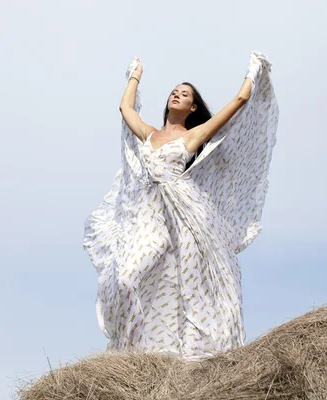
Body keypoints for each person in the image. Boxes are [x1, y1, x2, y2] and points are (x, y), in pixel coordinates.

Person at [83, 52, 279, 360]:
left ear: (193, 107)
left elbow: (240, 101)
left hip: (180, 216)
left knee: (184, 284)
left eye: (185, 93)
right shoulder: (149, 134)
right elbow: (125, 108)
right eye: (174, 91)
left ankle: (185, 350)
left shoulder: (192, 136)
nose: (177, 94)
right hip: (146, 217)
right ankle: (132, 352)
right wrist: (135, 74)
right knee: (125, 279)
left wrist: (253, 73)